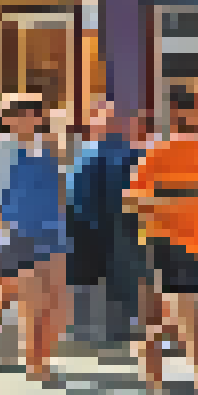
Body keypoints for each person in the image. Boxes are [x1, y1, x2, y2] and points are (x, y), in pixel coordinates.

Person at [126, 88, 198, 395]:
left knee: (171, 309)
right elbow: (132, 199)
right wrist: (179, 204)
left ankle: (150, 365)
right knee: (186, 306)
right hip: (167, 239)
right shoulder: (159, 150)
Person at [0, 95, 71, 383]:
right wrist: (2, 234)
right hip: (17, 231)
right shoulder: (1, 149)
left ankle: (38, 355)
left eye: (31, 114)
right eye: (18, 114)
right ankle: (35, 364)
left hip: (52, 230)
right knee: (33, 300)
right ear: (7, 119)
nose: (25, 119)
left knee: (56, 300)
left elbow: (59, 186)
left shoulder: (49, 146)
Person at [67, 100, 142, 345]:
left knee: (121, 279)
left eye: (113, 118)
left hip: (119, 227)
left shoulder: (131, 152)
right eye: (103, 117)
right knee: (84, 280)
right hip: (83, 227)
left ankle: (117, 330)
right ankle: (84, 330)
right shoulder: (82, 151)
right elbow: (72, 192)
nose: (108, 123)